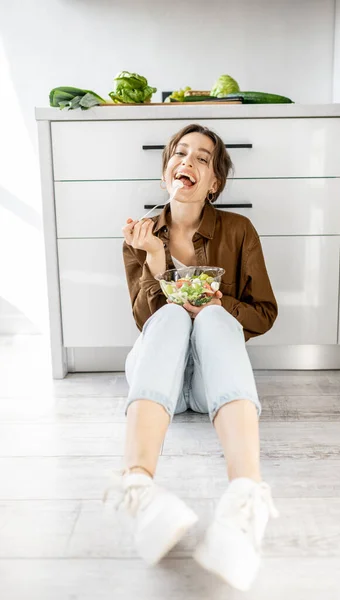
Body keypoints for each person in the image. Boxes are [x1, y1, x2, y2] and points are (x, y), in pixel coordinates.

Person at [105, 123, 279, 592]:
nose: (188, 161)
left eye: (203, 158)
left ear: (214, 182)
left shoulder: (239, 231)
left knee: (214, 321)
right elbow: (146, 321)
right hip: (155, 369)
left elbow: (264, 312)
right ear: (167, 170)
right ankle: (137, 488)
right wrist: (155, 259)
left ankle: (246, 498)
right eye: (180, 153)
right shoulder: (141, 235)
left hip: (208, 385)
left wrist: (220, 305)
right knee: (173, 320)